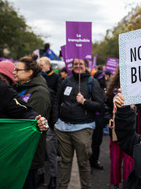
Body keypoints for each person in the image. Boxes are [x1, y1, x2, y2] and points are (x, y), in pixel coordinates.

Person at [53, 58, 105, 189]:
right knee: (65, 162)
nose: (77, 66)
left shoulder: (92, 82)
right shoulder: (66, 80)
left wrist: (84, 102)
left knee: (83, 162)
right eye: (75, 64)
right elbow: (57, 101)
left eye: (81, 64)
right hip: (63, 128)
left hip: (83, 128)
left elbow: (100, 105)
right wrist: (55, 121)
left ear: (86, 66)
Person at [0, 49, 47, 131]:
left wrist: (37, 121)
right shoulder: (16, 88)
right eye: (14, 69)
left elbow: (26, 113)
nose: (14, 73)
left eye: (17, 70)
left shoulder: (2, 90)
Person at [14, 53, 51, 189]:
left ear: (29, 72)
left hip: (29, 153)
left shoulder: (39, 93)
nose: (14, 72)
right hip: (19, 151)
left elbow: (32, 123)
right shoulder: (21, 88)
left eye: (18, 70)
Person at [106, 69, 135, 189]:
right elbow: (106, 107)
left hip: (133, 128)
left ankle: (127, 185)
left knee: (129, 160)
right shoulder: (113, 89)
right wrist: (109, 119)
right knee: (115, 158)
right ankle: (115, 184)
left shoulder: (139, 88)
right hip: (116, 129)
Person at [39, 56, 61, 189]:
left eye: (42, 65)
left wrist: (54, 121)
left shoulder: (55, 78)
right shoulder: (38, 78)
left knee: (50, 151)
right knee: (39, 151)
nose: (41, 67)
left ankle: (53, 177)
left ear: (48, 65)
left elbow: (57, 101)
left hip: (50, 121)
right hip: (39, 120)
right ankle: (40, 174)